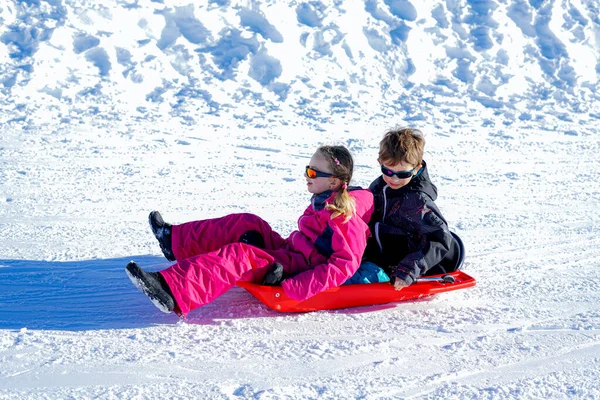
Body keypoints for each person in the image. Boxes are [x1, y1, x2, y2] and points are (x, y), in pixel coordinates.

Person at [126, 145, 374, 317]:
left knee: (240, 256)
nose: (307, 176)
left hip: (298, 268)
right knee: (247, 222)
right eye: (306, 169)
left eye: (313, 173)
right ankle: (173, 241)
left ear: (333, 181)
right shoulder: (325, 197)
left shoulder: (345, 215)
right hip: (291, 251)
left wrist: (293, 287)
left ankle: (171, 290)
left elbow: (344, 265)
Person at [362, 127, 460, 290]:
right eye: (387, 171)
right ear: (380, 163)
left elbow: (438, 239)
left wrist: (407, 271)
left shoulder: (418, 200)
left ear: (416, 168)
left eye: (402, 174)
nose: (394, 179)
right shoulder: (379, 186)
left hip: (408, 264)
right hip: (383, 254)